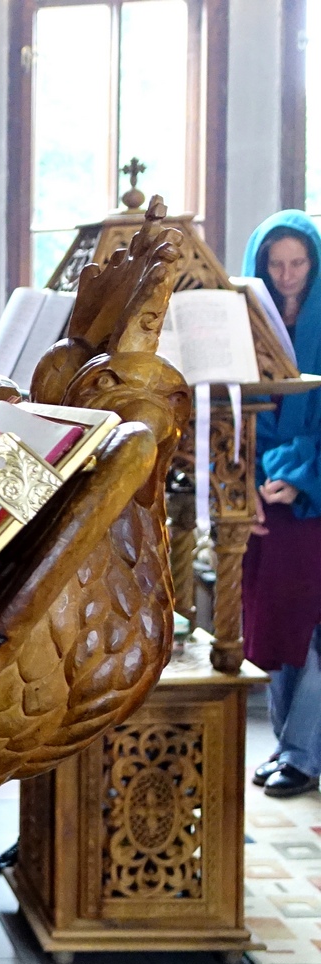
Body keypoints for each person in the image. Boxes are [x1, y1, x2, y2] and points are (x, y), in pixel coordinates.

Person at [243, 211, 321, 798]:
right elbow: (237, 406)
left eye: (298, 263)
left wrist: (301, 476)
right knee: (273, 619)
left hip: (314, 490)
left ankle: (304, 751)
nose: (288, 274)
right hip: (262, 486)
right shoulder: (249, 323)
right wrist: (248, 479)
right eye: (277, 263)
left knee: (314, 628)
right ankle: (285, 744)